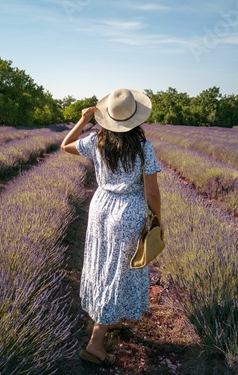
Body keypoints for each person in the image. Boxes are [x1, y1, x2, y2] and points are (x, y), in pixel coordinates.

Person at [61, 88, 163, 366]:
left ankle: (106, 315)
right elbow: (152, 193)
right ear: (135, 119)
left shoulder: (96, 141)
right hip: (128, 212)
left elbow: (65, 145)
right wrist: (158, 220)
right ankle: (96, 342)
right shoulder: (143, 148)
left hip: (101, 208)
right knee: (118, 270)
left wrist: (83, 120)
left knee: (101, 263)